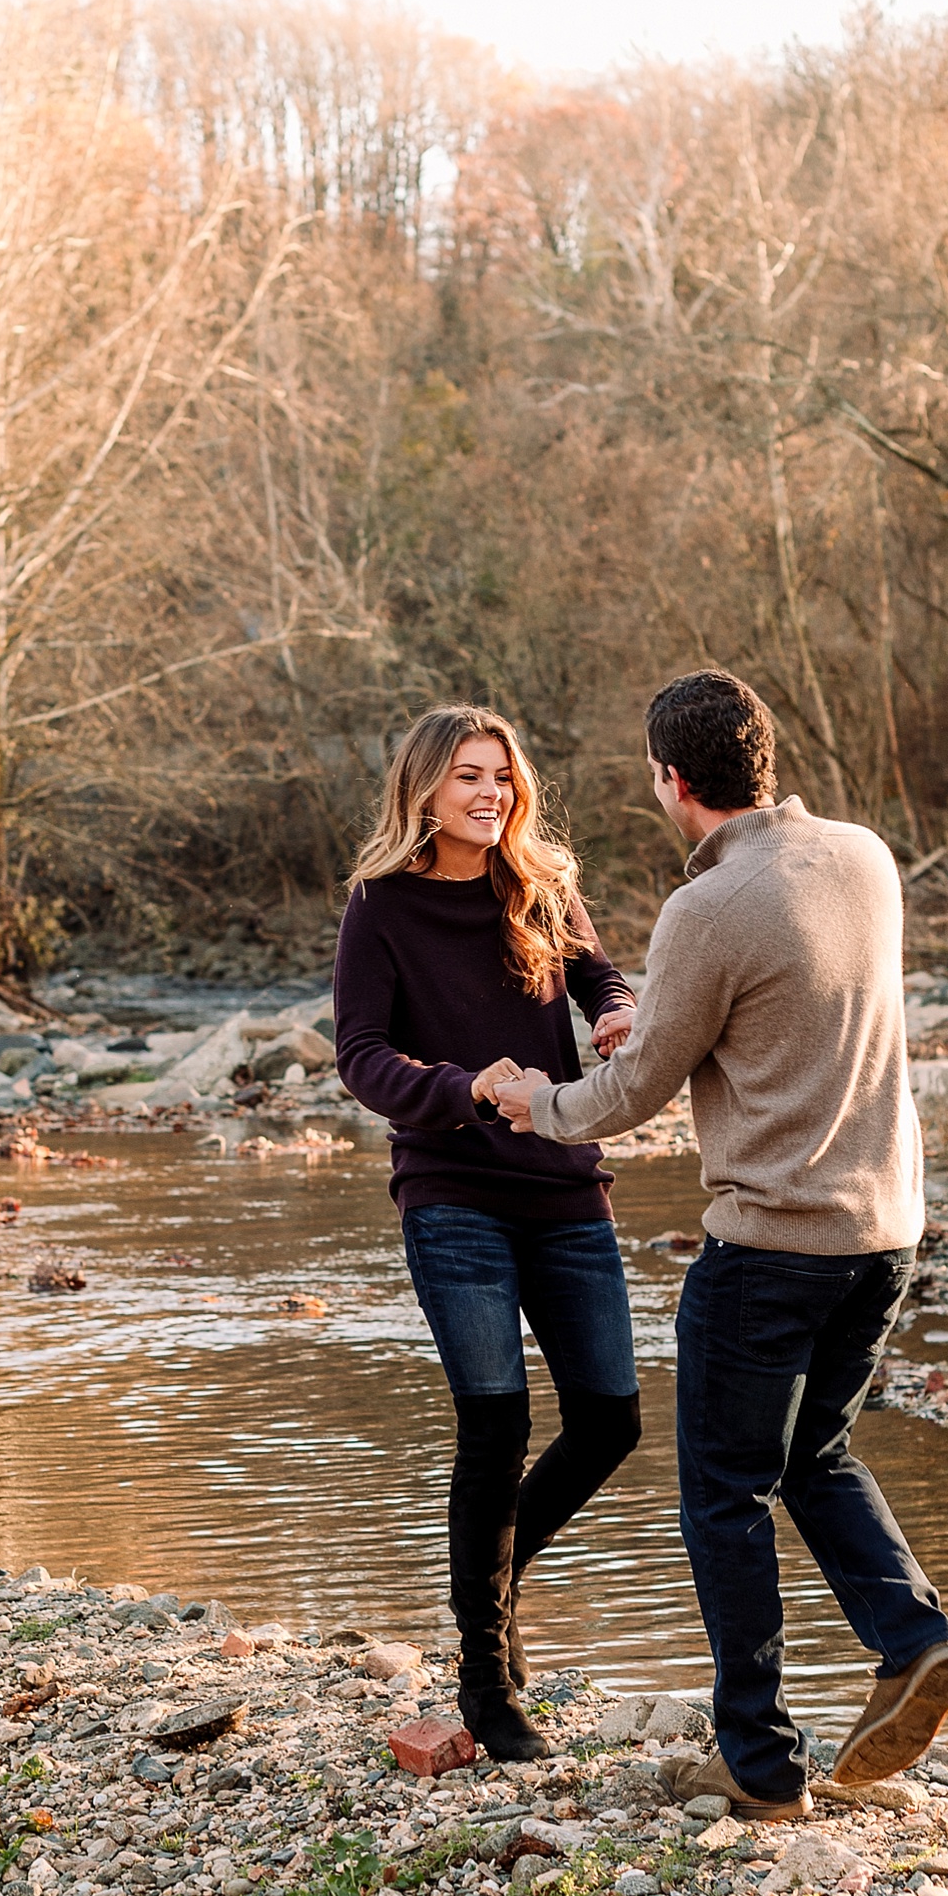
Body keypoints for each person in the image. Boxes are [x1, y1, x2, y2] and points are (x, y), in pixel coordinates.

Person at [492, 667, 948, 1818]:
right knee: (818, 1456)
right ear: (764, 756)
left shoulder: (703, 909)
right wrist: (651, 1021)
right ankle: (912, 1637)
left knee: (723, 1492)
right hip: (885, 1234)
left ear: (669, 779)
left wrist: (532, 1101)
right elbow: (779, 1019)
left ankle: (758, 1762)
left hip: (769, 1250)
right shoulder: (863, 857)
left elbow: (632, 1095)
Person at [333, 705, 642, 1763]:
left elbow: (595, 972)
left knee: (609, 1420)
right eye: (469, 777)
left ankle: (491, 1578)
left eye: (502, 777)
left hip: (561, 1184)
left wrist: (616, 1012)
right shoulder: (380, 907)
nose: (491, 795)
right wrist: (461, 1087)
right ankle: (486, 1679)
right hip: (451, 1191)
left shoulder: (541, 883)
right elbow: (361, 1057)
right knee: (496, 1426)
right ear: (424, 789)